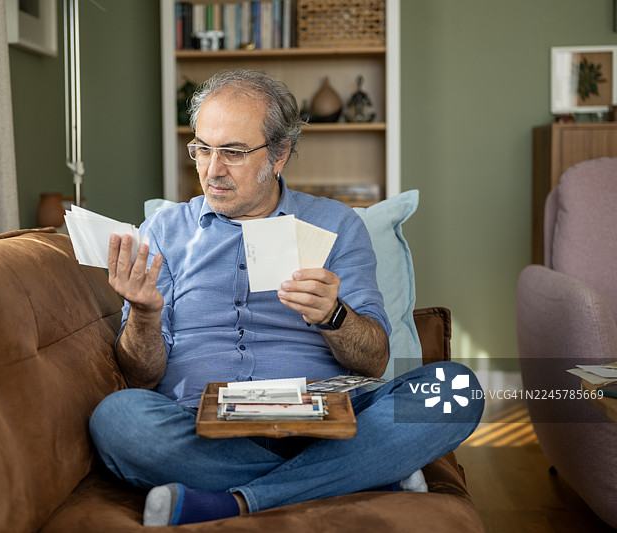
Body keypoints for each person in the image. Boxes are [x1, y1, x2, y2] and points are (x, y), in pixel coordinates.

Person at [89, 69, 483, 527]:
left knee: (455, 392)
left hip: (325, 427)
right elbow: (141, 376)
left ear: (279, 155)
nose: (212, 170)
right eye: (202, 148)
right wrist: (143, 313)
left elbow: (375, 361)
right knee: (117, 418)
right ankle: (363, 472)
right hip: (202, 428)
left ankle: (233, 502)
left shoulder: (336, 224)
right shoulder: (163, 231)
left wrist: (335, 316)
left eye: (233, 152)